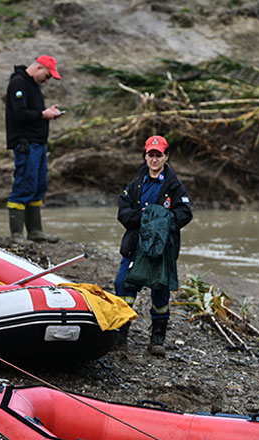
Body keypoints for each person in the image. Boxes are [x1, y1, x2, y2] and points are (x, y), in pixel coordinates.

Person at [114, 135, 193, 356]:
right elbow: (123, 212)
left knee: (160, 293)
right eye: (151, 154)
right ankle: (120, 336)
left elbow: (185, 213)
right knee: (123, 285)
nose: (155, 159)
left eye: (159, 155)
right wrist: (144, 219)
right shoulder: (136, 184)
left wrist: (161, 223)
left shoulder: (175, 186)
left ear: (166, 157)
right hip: (135, 248)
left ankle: (157, 339)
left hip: (162, 251)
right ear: (146, 156)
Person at [4, 54, 63, 243]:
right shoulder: (19, 84)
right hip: (26, 144)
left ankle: (35, 230)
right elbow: (20, 113)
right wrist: (43, 114)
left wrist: (47, 112)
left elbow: (35, 113)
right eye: (47, 76)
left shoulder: (33, 86)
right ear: (38, 68)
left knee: (38, 185)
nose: (47, 80)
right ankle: (17, 234)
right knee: (24, 184)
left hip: (38, 144)